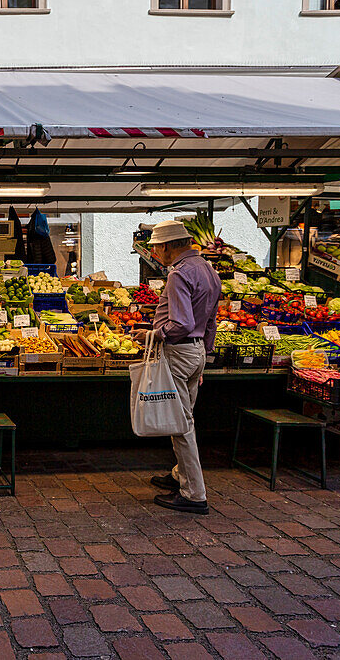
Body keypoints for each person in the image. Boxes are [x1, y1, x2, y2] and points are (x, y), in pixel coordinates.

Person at [136, 220, 221, 515]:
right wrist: (204, 358)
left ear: (170, 246)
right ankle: (179, 475)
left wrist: (152, 334)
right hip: (196, 351)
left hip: (179, 351)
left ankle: (194, 493)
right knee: (184, 417)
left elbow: (180, 324)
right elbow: (209, 321)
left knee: (181, 425)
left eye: (157, 248)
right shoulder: (209, 269)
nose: (155, 253)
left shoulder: (178, 275)